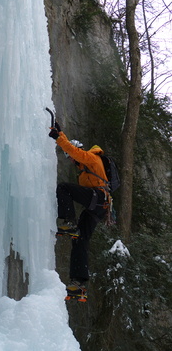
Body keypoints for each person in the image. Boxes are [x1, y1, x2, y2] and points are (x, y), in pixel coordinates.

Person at [49, 122, 109, 301]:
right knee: (79, 239)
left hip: (98, 198)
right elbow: (74, 152)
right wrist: (62, 133)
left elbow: (76, 152)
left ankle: (68, 222)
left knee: (64, 188)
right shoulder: (85, 171)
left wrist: (59, 138)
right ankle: (78, 283)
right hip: (98, 207)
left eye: (71, 158)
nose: (72, 161)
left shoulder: (92, 157)